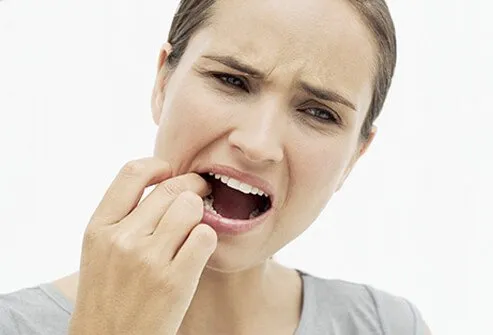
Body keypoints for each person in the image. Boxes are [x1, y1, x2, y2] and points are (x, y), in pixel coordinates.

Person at [0, 0, 433, 334]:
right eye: (232, 80)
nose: (258, 144)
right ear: (163, 83)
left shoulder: (386, 325)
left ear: (355, 157)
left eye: (319, 112)